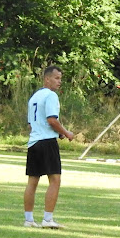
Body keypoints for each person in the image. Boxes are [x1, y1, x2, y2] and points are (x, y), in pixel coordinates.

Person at [24, 65, 75, 229]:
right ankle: (47, 219)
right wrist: (66, 133)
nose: (59, 81)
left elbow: (34, 124)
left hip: (34, 143)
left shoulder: (34, 97)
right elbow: (51, 120)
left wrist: (58, 133)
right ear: (47, 79)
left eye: (60, 78)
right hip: (47, 143)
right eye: (56, 78)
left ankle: (29, 220)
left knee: (32, 182)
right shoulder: (51, 96)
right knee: (55, 180)